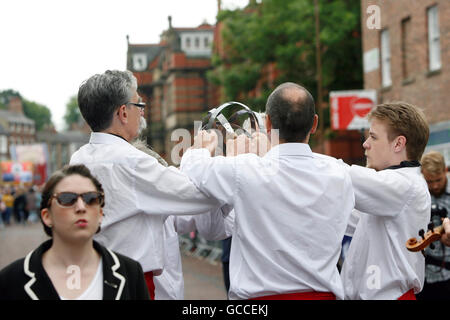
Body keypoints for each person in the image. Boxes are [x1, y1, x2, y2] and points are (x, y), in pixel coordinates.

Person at [181, 82, 355, 300]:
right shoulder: (340, 173)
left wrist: (203, 146)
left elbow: (192, 169)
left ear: (269, 123)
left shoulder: (245, 169)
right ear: (314, 124)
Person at [70, 70, 221, 300]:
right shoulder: (131, 161)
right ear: (122, 112)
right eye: (138, 103)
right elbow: (196, 195)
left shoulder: (78, 159)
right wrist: (200, 153)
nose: (142, 110)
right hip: (131, 282)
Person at [0, 164, 149, 300]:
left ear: (100, 214)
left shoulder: (130, 273)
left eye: (91, 199)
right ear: (47, 216)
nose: (81, 207)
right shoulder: (10, 280)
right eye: (67, 199)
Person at [340, 102, 431, 300]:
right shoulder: (387, 189)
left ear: (398, 143)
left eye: (373, 137)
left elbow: (340, 176)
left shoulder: (404, 184)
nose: (365, 144)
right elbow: (335, 218)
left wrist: (287, 154)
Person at [416, 151, 450, 300]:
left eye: (439, 180)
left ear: (445, 170)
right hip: (422, 276)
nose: (435, 186)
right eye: (430, 181)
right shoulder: (417, 194)